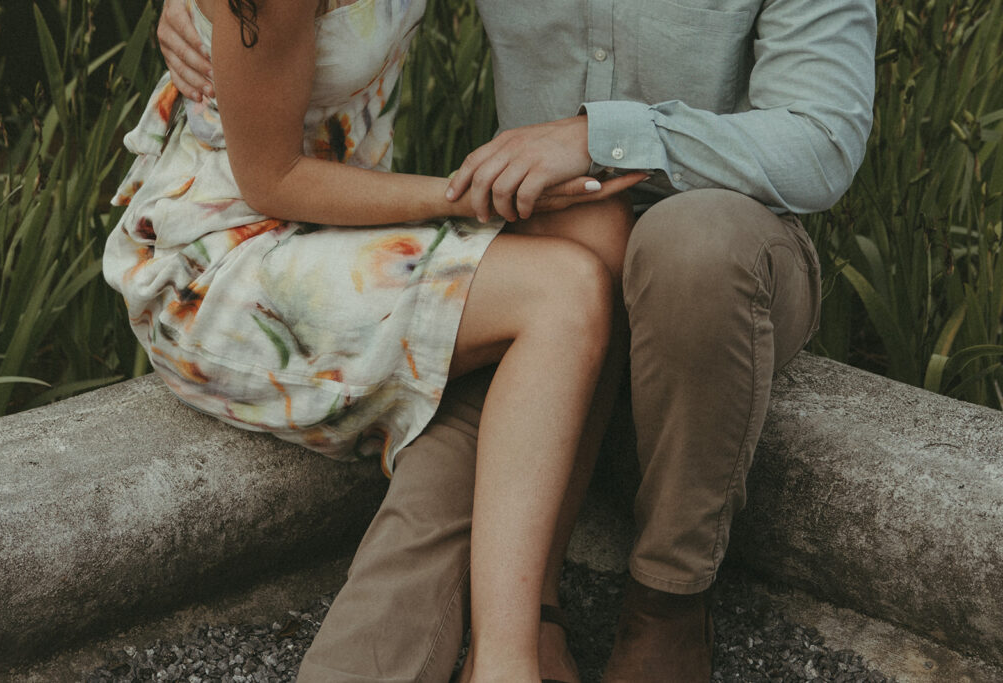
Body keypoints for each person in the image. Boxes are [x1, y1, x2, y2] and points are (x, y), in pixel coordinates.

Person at [157, 0, 877, 680]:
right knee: (474, 420)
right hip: (551, 226)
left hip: (719, 259)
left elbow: (822, 143)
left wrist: (598, 136)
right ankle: (488, 642)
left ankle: (666, 599)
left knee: (681, 249)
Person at [106, 1, 647, 682]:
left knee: (598, 227)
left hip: (338, 228)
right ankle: (506, 666)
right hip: (226, 261)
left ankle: (531, 618)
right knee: (562, 293)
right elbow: (270, 180)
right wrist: (465, 195)